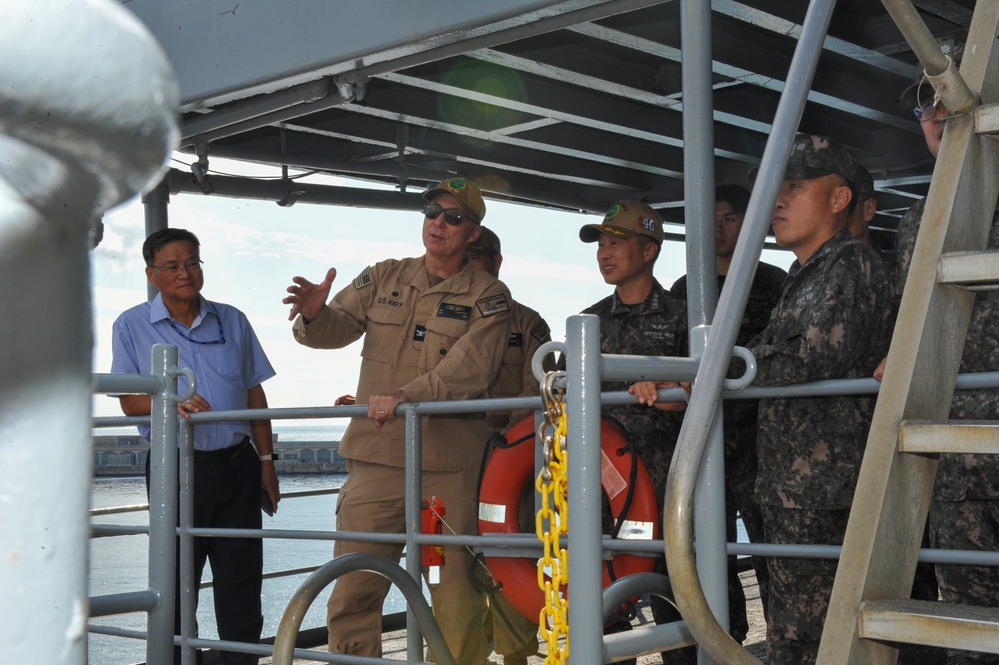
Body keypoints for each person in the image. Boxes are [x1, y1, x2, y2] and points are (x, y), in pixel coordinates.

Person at [283, 176, 511, 665]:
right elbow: (332, 331)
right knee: (353, 591)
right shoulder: (384, 276)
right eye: (432, 211)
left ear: (473, 233)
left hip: (446, 469)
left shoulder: (491, 297)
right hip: (377, 457)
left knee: (451, 595)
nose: (438, 223)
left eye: (453, 217)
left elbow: (470, 369)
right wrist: (315, 316)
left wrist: (403, 396)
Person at [742, 134, 893, 665]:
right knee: (793, 636)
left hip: (827, 492)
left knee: (816, 639)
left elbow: (812, 354)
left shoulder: (851, 263)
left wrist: (728, 371)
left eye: (796, 186)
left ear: (838, 199)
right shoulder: (804, 273)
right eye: (777, 188)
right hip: (796, 488)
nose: (778, 201)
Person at [879, 38, 999, 665]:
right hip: (957, 459)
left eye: (946, 92)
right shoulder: (915, 221)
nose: (934, 112)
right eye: (923, 102)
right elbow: (913, 323)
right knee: (971, 631)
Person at [111, 228, 279, 665]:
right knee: (176, 579)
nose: (185, 272)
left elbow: (254, 393)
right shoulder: (131, 325)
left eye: (192, 262)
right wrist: (169, 397)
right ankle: (177, 659)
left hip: (238, 466)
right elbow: (129, 401)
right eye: (172, 265)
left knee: (241, 577)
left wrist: (267, 462)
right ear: (152, 273)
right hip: (176, 468)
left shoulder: (233, 319)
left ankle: (240, 660)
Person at [573, 200, 691, 664]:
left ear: (649, 250)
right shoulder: (587, 323)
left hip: (669, 493)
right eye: (601, 243)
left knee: (679, 612)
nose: (604, 252)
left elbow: (710, 394)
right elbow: (559, 399)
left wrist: (676, 388)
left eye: (616, 242)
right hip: (604, 499)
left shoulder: (685, 318)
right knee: (606, 617)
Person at [668, 184, 787, 634]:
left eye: (729, 219)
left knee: (771, 550)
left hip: (762, 445)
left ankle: (779, 637)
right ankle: (726, 636)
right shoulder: (685, 290)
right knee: (708, 550)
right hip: (703, 441)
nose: (717, 230)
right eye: (710, 220)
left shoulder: (777, 283)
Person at [466, 225, 552, 665]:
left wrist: (504, 451)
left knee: (512, 567)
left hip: (510, 472)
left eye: (477, 255)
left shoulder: (529, 323)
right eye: (465, 256)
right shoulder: (440, 319)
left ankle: (516, 657)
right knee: (455, 580)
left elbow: (538, 399)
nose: (470, 263)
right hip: (455, 465)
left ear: (496, 261)